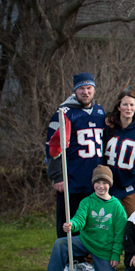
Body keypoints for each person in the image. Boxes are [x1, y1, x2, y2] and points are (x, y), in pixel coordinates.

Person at [45, 165, 126, 271]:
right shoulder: (87, 202)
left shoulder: (117, 206)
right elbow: (80, 218)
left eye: (104, 183)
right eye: (97, 182)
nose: (100, 186)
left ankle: (108, 270)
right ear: (93, 184)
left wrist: (115, 255)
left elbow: (120, 233)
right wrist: (72, 224)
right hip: (85, 241)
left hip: (103, 248)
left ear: (110, 184)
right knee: (61, 243)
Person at [46, 72, 106, 239]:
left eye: (89, 88)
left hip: (94, 180)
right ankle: (67, 260)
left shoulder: (100, 112)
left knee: (92, 222)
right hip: (71, 179)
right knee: (68, 222)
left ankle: (86, 260)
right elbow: (52, 146)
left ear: (94, 90)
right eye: (81, 88)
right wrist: (57, 176)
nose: (85, 92)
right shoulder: (64, 112)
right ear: (75, 91)